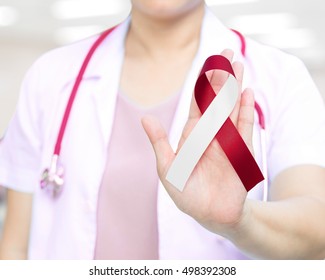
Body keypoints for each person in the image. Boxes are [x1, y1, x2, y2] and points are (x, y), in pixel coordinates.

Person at [0, 0, 325, 260]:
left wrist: (243, 222)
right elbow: (14, 249)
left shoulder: (280, 78)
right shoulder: (51, 77)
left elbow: (316, 231)